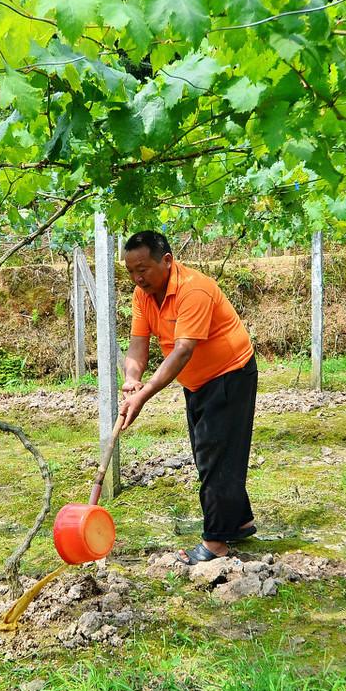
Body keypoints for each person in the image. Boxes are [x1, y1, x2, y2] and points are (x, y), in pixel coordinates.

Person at [116, 230, 258, 565]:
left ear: (166, 261)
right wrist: (131, 379)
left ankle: (216, 543)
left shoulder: (194, 289)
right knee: (208, 451)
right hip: (196, 383)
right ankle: (238, 521)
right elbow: (138, 342)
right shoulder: (143, 295)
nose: (137, 278)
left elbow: (182, 352)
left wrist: (146, 394)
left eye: (143, 269)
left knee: (215, 453)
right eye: (131, 272)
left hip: (229, 374)